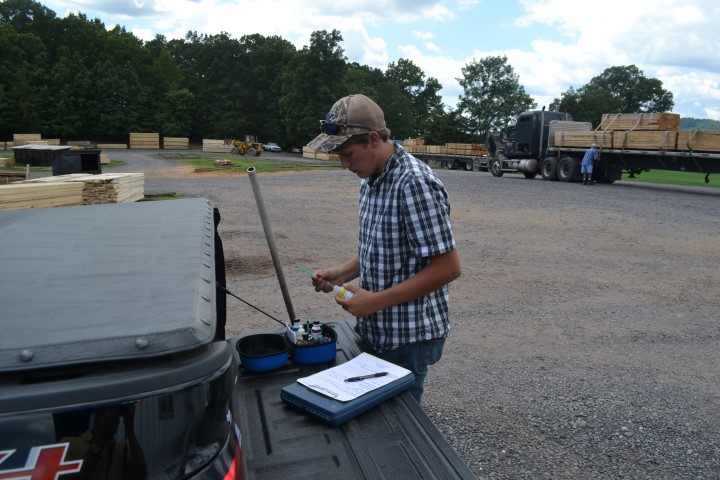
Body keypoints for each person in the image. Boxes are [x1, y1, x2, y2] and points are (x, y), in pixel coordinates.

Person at [306, 94, 461, 403]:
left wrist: (374, 302)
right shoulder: (371, 177)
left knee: (397, 429)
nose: (345, 165)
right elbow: (384, 246)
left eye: (348, 154)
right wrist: (343, 272)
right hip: (378, 330)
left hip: (408, 338)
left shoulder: (413, 183)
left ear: (373, 139)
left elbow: (448, 268)